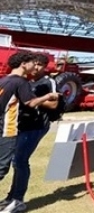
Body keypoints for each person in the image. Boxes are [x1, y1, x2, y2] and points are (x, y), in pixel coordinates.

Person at [0, 52, 59, 213]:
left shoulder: (47, 82)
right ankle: (12, 197)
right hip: (16, 126)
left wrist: (36, 99)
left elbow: (53, 105)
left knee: (19, 160)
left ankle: (17, 198)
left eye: (40, 64)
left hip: (35, 126)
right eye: (35, 63)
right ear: (25, 64)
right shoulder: (21, 81)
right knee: (11, 161)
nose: (36, 67)